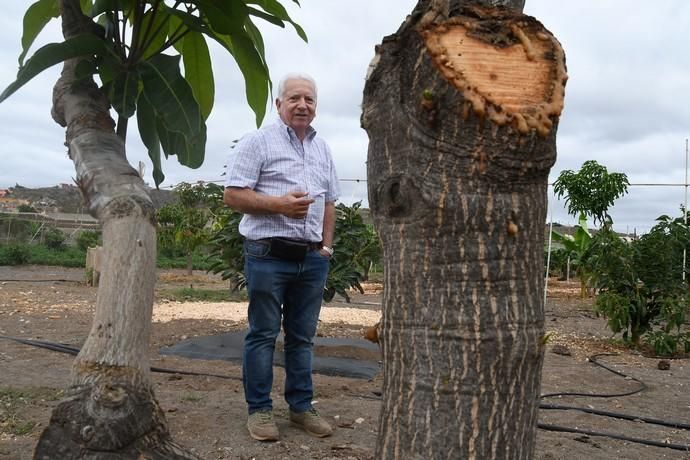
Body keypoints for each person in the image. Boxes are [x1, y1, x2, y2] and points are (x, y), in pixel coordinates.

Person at [223, 73, 340, 442]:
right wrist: (278, 206)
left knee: (302, 338)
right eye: (294, 99)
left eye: (309, 99)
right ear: (279, 104)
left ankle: (301, 407)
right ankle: (259, 410)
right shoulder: (258, 142)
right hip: (267, 255)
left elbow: (330, 201)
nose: (302, 105)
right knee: (263, 334)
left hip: (311, 259)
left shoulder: (323, 149)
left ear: (316, 107)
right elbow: (233, 195)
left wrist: (326, 247)